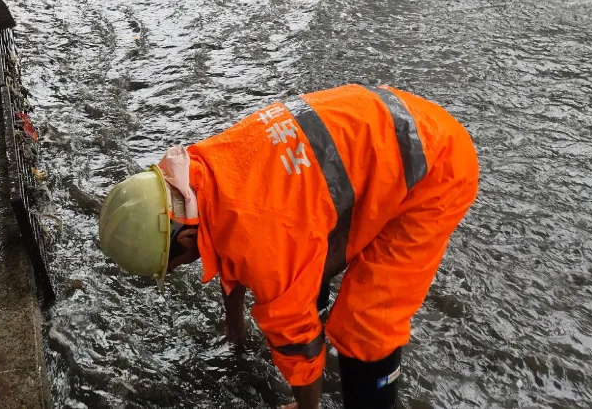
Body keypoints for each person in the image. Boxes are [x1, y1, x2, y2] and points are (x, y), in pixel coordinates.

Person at [98, 84, 479, 409]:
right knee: (305, 253)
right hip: (385, 122)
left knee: (364, 324)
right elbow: (221, 243)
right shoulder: (199, 171)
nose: (179, 268)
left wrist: (305, 403)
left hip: (434, 165)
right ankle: (316, 304)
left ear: (183, 238)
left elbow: (297, 345)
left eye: (175, 263)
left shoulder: (262, 247)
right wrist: (235, 323)